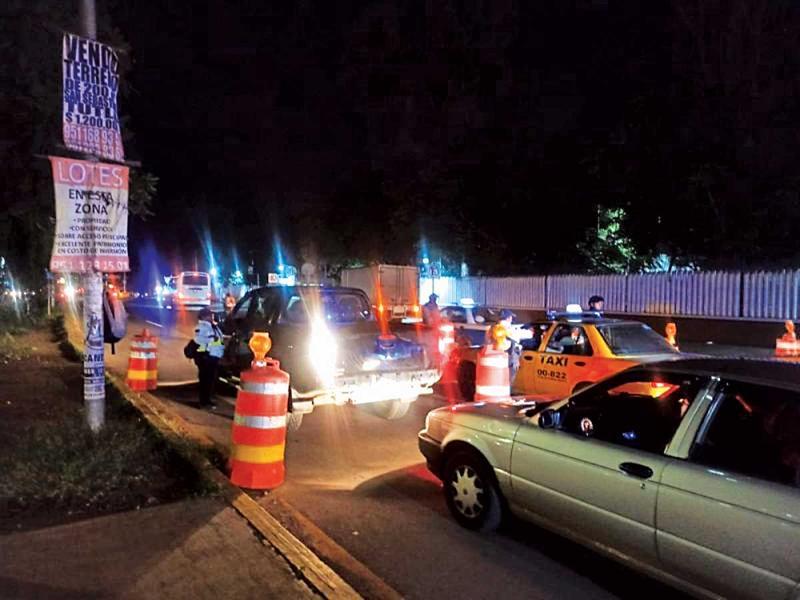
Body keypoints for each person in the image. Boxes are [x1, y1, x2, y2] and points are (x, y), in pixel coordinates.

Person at [194, 308, 225, 408]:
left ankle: (207, 400)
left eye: (211, 315)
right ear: (203, 317)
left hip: (214, 356)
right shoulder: (201, 327)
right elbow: (200, 341)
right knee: (205, 380)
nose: (211, 317)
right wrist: (213, 341)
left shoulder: (213, 326)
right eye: (209, 315)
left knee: (211, 380)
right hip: (206, 357)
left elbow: (219, 339)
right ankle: (203, 402)